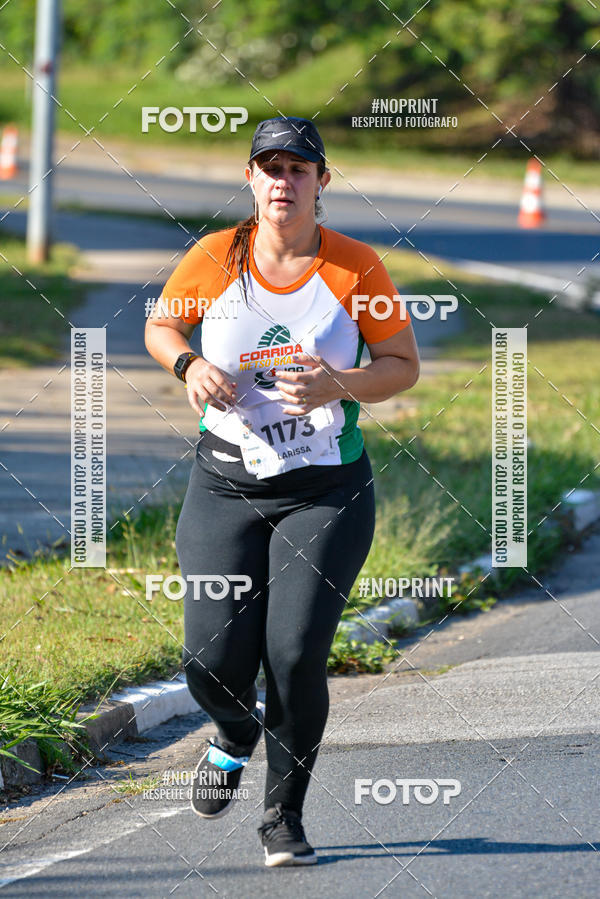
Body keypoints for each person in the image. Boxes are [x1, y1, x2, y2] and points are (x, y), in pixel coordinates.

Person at [144, 115, 420, 867]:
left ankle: (282, 817)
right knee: (208, 659)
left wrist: (341, 381)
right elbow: (163, 325)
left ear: (321, 182)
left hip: (326, 491)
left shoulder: (356, 268)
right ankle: (233, 735)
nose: (282, 181)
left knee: (294, 653)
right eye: (269, 167)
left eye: (298, 168)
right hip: (226, 486)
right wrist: (187, 367)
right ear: (251, 179)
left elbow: (401, 363)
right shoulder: (214, 257)